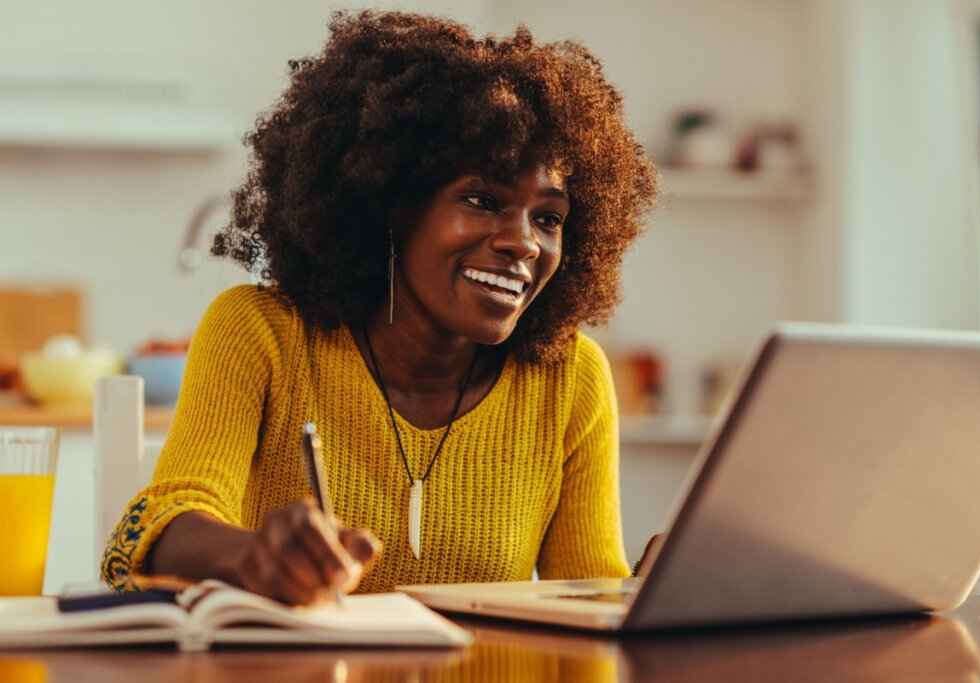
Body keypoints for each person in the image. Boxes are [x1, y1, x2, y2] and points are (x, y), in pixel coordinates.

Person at [101, 9, 657, 605]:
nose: (524, 241)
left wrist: (650, 592)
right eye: (481, 198)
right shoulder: (262, 333)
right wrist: (253, 556)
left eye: (548, 218)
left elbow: (591, 601)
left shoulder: (569, 379)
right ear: (390, 205)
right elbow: (147, 535)